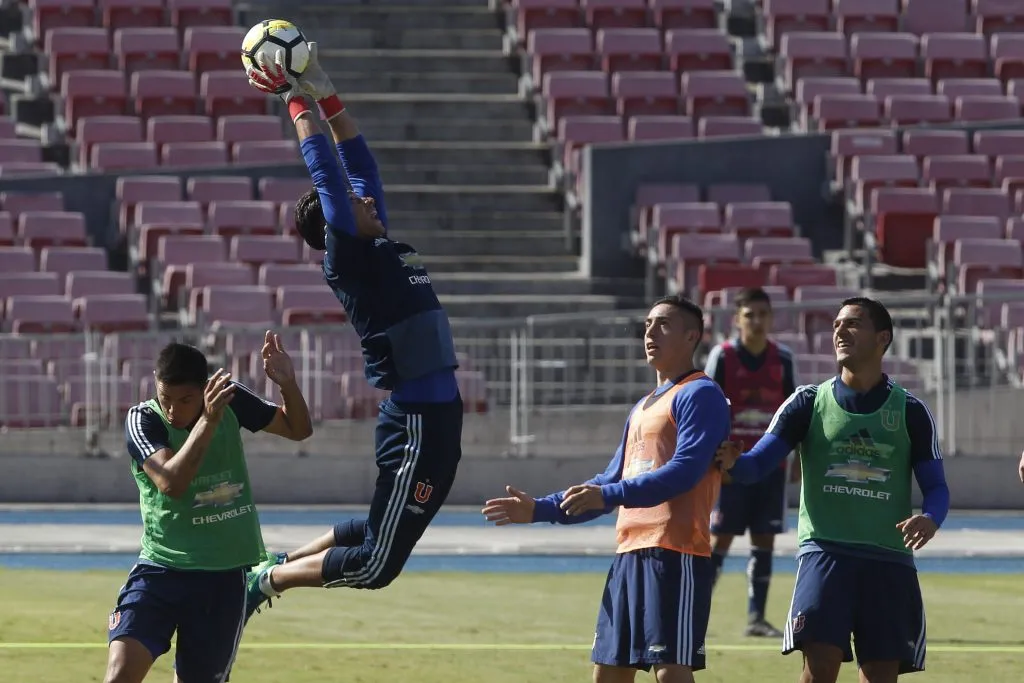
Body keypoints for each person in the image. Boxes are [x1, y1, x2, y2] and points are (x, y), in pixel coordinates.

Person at [242, 42, 463, 620]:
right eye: (356, 203)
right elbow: (330, 175)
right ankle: (265, 586)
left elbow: (360, 163)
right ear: (335, 222)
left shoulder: (376, 240)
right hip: (417, 421)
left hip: (438, 419)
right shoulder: (348, 255)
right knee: (375, 565)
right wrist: (295, 99)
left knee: (381, 527)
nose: (369, 200)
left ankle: (273, 565)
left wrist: (327, 92)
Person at [482, 295, 731, 683]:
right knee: (610, 673)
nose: (650, 331)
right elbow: (611, 479)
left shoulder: (701, 394)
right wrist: (540, 510)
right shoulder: (643, 406)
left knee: (671, 671)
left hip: (675, 551)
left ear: (691, 336)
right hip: (629, 552)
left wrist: (609, 495)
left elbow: (685, 472)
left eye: (663, 324)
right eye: (647, 324)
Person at [716, 297, 951, 683]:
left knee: (879, 676)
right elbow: (757, 465)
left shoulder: (911, 411)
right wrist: (733, 462)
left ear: (883, 338)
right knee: (818, 670)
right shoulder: (807, 404)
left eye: (853, 324)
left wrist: (930, 517)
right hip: (825, 555)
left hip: (888, 562)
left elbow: (937, 487)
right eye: (837, 324)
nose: (840, 330)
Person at [104, 334, 312, 683]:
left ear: (203, 390)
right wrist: (207, 421)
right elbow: (172, 483)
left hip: (223, 577)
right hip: (160, 569)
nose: (173, 409)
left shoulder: (229, 400)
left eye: (185, 400)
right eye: (165, 397)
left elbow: (298, 428)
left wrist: (287, 384)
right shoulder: (143, 420)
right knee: (120, 674)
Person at [703, 287, 798, 638]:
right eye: (750, 315)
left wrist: (799, 457)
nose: (757, 322)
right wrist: (716, 463)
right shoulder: (723, 357)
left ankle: (756, 618)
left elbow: (795, 413)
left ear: (771, 318)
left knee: (764, 539)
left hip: (772, 467)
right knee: (720, 539)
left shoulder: (784, 359)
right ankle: (696, 610)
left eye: (763, 315)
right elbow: (708, 410)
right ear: (737, 319)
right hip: (730, 468)